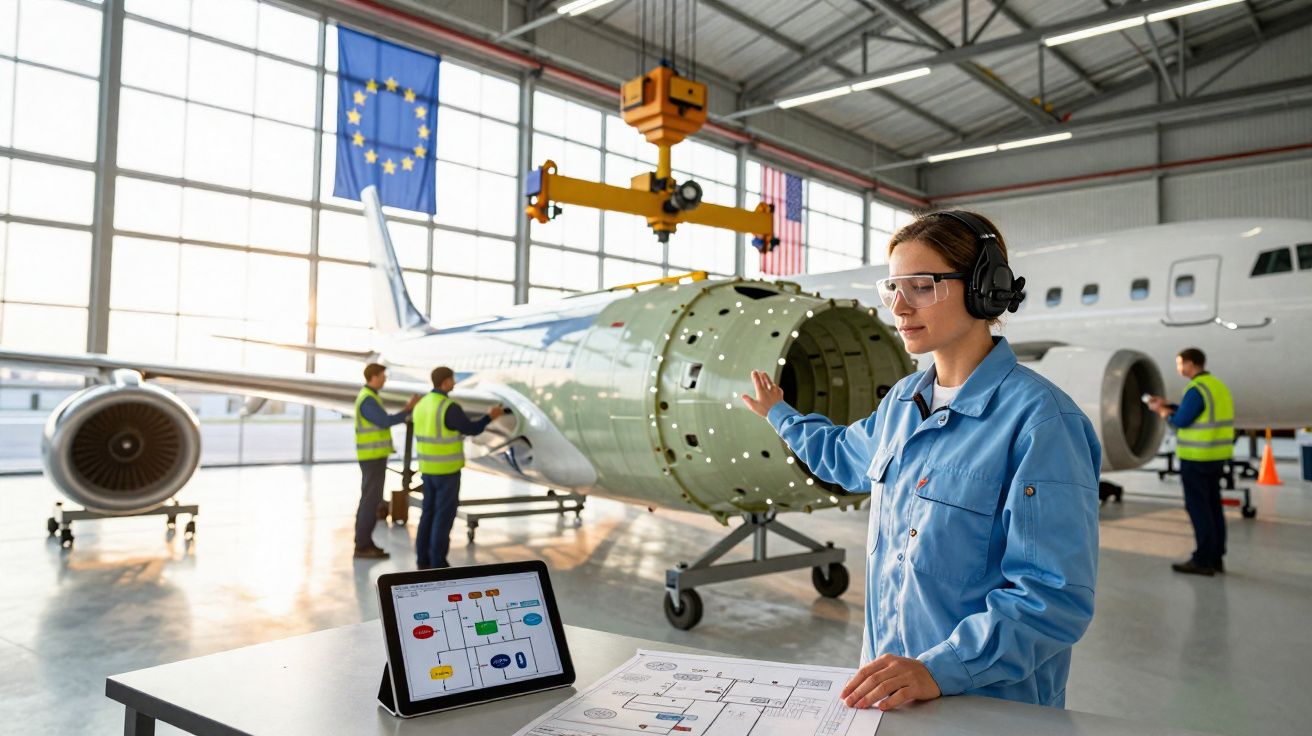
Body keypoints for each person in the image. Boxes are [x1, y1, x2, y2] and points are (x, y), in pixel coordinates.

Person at [741, 211, 1101, 712]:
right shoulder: (903, 402)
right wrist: (780, 414)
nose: (899, 306)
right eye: (893, 287)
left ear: (983, 289)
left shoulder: (1041, 422)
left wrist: (939, 668)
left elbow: (1052, 599)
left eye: (922, 286)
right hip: (891, 695)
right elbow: (842, 457)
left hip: (987, 708)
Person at [1147, 348, 1233, 576]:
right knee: (1214, 507)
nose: (1178, 368)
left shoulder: (1196, 389)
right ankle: (1216, 557)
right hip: (1215, 456)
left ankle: (1202, 560)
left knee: (1199, 509)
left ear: (1191, 364)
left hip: (1196, 458)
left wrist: (1162, 412)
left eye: (1180, 363)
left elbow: (1181, 421)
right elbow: (1198, 412)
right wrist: (1169, 404)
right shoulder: (1215, 386)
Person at [410, 366, 504, 569]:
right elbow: (471, 429)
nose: (454, 383)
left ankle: (422, 560)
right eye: (452, 379)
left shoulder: (421, 404)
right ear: (445, 382)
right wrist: (491, 416)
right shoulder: (448, 407)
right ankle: (438, 563)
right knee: (443, 517)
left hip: (427, 469)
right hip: (446, 472)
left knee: (427, 514)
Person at [354, 363, 419, 560]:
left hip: (374, 457)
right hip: (372, 458)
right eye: (383, 376)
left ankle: (365, 543)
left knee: (371, 500)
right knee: (370, 501)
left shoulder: (371, 397)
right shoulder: (367, 399)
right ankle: (362, 545)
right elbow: (385, 421)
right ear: (373, 376)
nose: (385, 379)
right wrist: (408, 410)